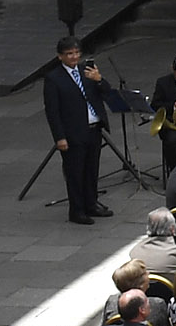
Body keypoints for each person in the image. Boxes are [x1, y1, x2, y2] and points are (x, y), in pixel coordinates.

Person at [45, 42, 133, 226]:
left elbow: (107, 93)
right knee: (75, 172)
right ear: (60, 56)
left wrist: (99, 79)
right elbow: (52, 111)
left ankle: (91, 203)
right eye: (69, 53)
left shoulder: (88, 71)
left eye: (77, 52)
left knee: (91, 170)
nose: (74, 57)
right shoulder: (54, 78)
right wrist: (59, 137)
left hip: (94, 129)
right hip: (73, 132)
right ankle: (77, 210)